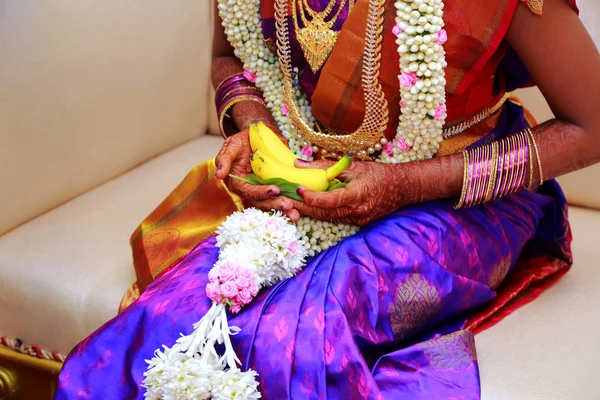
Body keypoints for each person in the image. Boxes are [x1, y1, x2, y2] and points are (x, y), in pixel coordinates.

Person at [55, 0, 600, 398]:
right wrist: (256, 131)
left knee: (290, 339)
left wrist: (407, 184)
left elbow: (591, 125)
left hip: (460, 201)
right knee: (171, 321)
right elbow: (230, 55)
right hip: (308, 182)